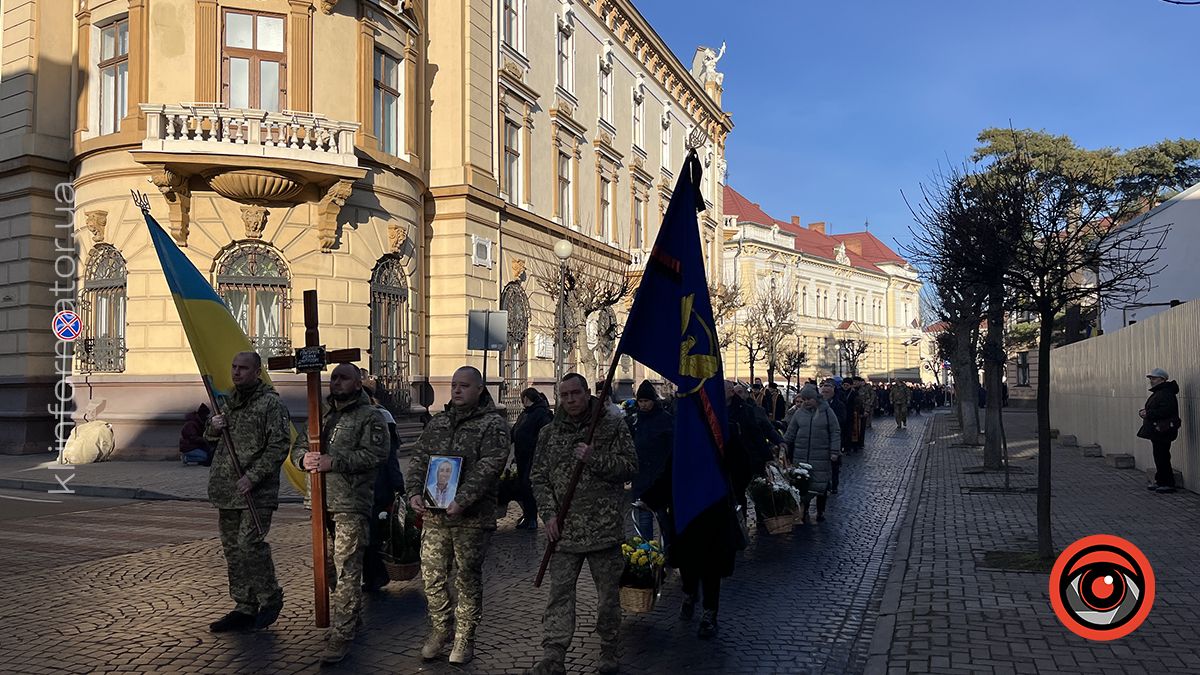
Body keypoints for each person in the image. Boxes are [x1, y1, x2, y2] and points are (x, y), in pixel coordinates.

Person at [528, 373, 637, 675]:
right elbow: (538, 478)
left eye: (576, 393)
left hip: (603, 530)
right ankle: (554, 655)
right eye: (564, 395)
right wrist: (548, 514)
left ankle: (609, 648)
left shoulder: (612, 426)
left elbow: (630, 466)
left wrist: (595, 458)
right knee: (560, 596)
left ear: (588, 393)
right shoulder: (548, 434)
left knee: (607, 598)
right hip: (562, 532)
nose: (571, 400)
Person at [407, 366, 508, 665]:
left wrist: (463, 500)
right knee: (433, 577)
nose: (457, 390)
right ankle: (441, 629)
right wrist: (414, 491)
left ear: (479, 389)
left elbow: (491, 465)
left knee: (466, 579)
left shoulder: (493, 425)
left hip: (471, 519)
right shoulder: (438, 423)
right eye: (454, 385)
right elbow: (419, 458)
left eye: (464, 386)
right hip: (435, 516)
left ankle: (465, 637)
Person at [289, 363, 388, 664]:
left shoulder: (369, 416)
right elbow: (299, 447)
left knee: (346, 568)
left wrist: (336, 462)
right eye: (333, 378)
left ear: (358, 383)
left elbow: (377, 454)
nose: (336, 382)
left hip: (351, 503)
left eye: (344, 378)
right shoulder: (320, 413)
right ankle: (351, 613)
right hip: (319, 502)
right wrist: (302, 459)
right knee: (326, 568)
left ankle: (342, 634)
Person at [205, 351, 290, 634]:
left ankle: (270, 598)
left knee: (249, 545)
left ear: (257, 371)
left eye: (243, 368)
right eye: (234, 366)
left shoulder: (270, 404)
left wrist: (253, 477)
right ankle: (244, 606)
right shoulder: (228, 402)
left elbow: (279, 446)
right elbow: (208, 436)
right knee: (233, 551)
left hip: (256, 492)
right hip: (226, 490)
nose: (236, 372)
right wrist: (214, 426)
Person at [669, 379, 746, 641]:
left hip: (714, 512)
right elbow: (670, 471)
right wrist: (650, 497)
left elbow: (740, 465)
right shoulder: (682, 441)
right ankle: (690, 593)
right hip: (687, 512)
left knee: (712, 568)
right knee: (689, 565)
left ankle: (709, 614)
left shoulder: (726, 433)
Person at [363, 380, 404, 592]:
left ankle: (376, 575)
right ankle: (372, 576)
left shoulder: (381, 417)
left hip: (379, 487)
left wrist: (398, 485)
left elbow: (390, 457)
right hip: (366, 489)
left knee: (375, 534)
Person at [784, 385, 841, 524]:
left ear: (816, 398)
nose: (806, 402)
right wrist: (783, 444)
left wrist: (834, 451)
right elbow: (791, 431)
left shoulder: (827, 412)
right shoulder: (799, 413)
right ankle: (804, 510)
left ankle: (821, 511)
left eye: (809, 399)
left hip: (821, 455)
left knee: (821, 485)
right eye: (804, 399)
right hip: (801, 455)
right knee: (803, 484)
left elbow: (835, 432)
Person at [628, 380, 673, 546]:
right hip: (641, 479)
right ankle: (647, 554)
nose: (643, 405)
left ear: (653, 401)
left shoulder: (665, 420)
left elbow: (671, 447)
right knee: (644, 520)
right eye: (641, 401)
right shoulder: (634, 421)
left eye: (646, 401)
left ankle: (667, 552)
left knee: (663, 520)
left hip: (659, 478)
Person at [511, 387, 552, 530]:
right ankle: (527, 515)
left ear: (526, 398)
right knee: (522, 487)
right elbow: (516, 430)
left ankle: (532, 518)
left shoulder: (541, 413)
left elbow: (544, 435)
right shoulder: (525, 413)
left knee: (529, 487)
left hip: (533, 457)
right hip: (521, 456)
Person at [1139, 368, 1181, 494]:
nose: (1151, 381)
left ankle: (1167, 483)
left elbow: (1166, 411)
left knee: (1162, 456)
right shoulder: (1160, 392)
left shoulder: (1166, 393)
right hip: (1158, 430)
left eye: (1154, 378)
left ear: (1162, 379)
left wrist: (1148, 413)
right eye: (1151, 378)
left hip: (1163, 430)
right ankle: (1161, 480)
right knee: (1159, 456)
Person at [819, 380, 846, 494]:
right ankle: (825, 483)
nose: (825, 393)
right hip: (821, 438)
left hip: (834, 437)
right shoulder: (818, 404)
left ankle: (834, 484)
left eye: (828, 391)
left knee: (834, 463)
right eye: (824, 391)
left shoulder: (839, 404)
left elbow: (842, 420)